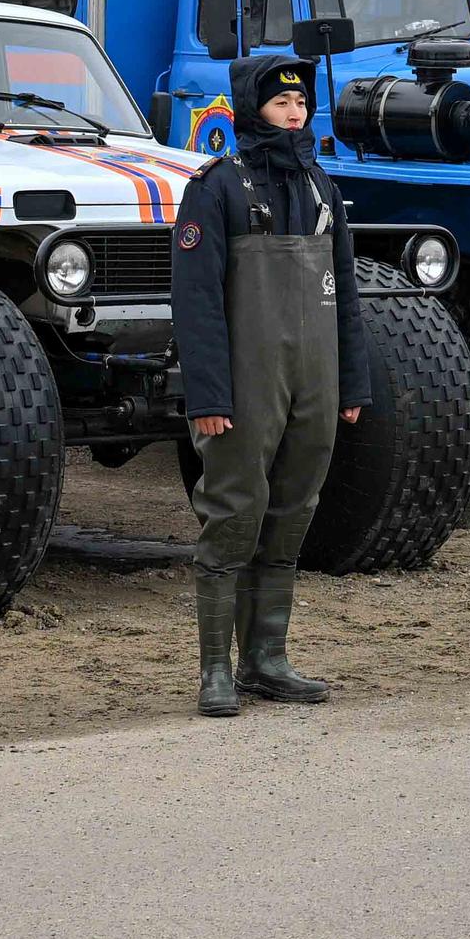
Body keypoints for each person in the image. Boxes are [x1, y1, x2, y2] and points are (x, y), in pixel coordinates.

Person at [171, 54, 371, 712]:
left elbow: (345, 293)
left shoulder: (321, 187)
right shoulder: (216, 187)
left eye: (302, 103)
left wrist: (351, 385)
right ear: (253, 107)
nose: (295, 111)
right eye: (283, 102)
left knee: (291, 516)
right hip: (244, 382)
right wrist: (207, 397)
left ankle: (267, 657)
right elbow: (196, 301)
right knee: (234, 513)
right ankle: (215, 671)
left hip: (312, 379)